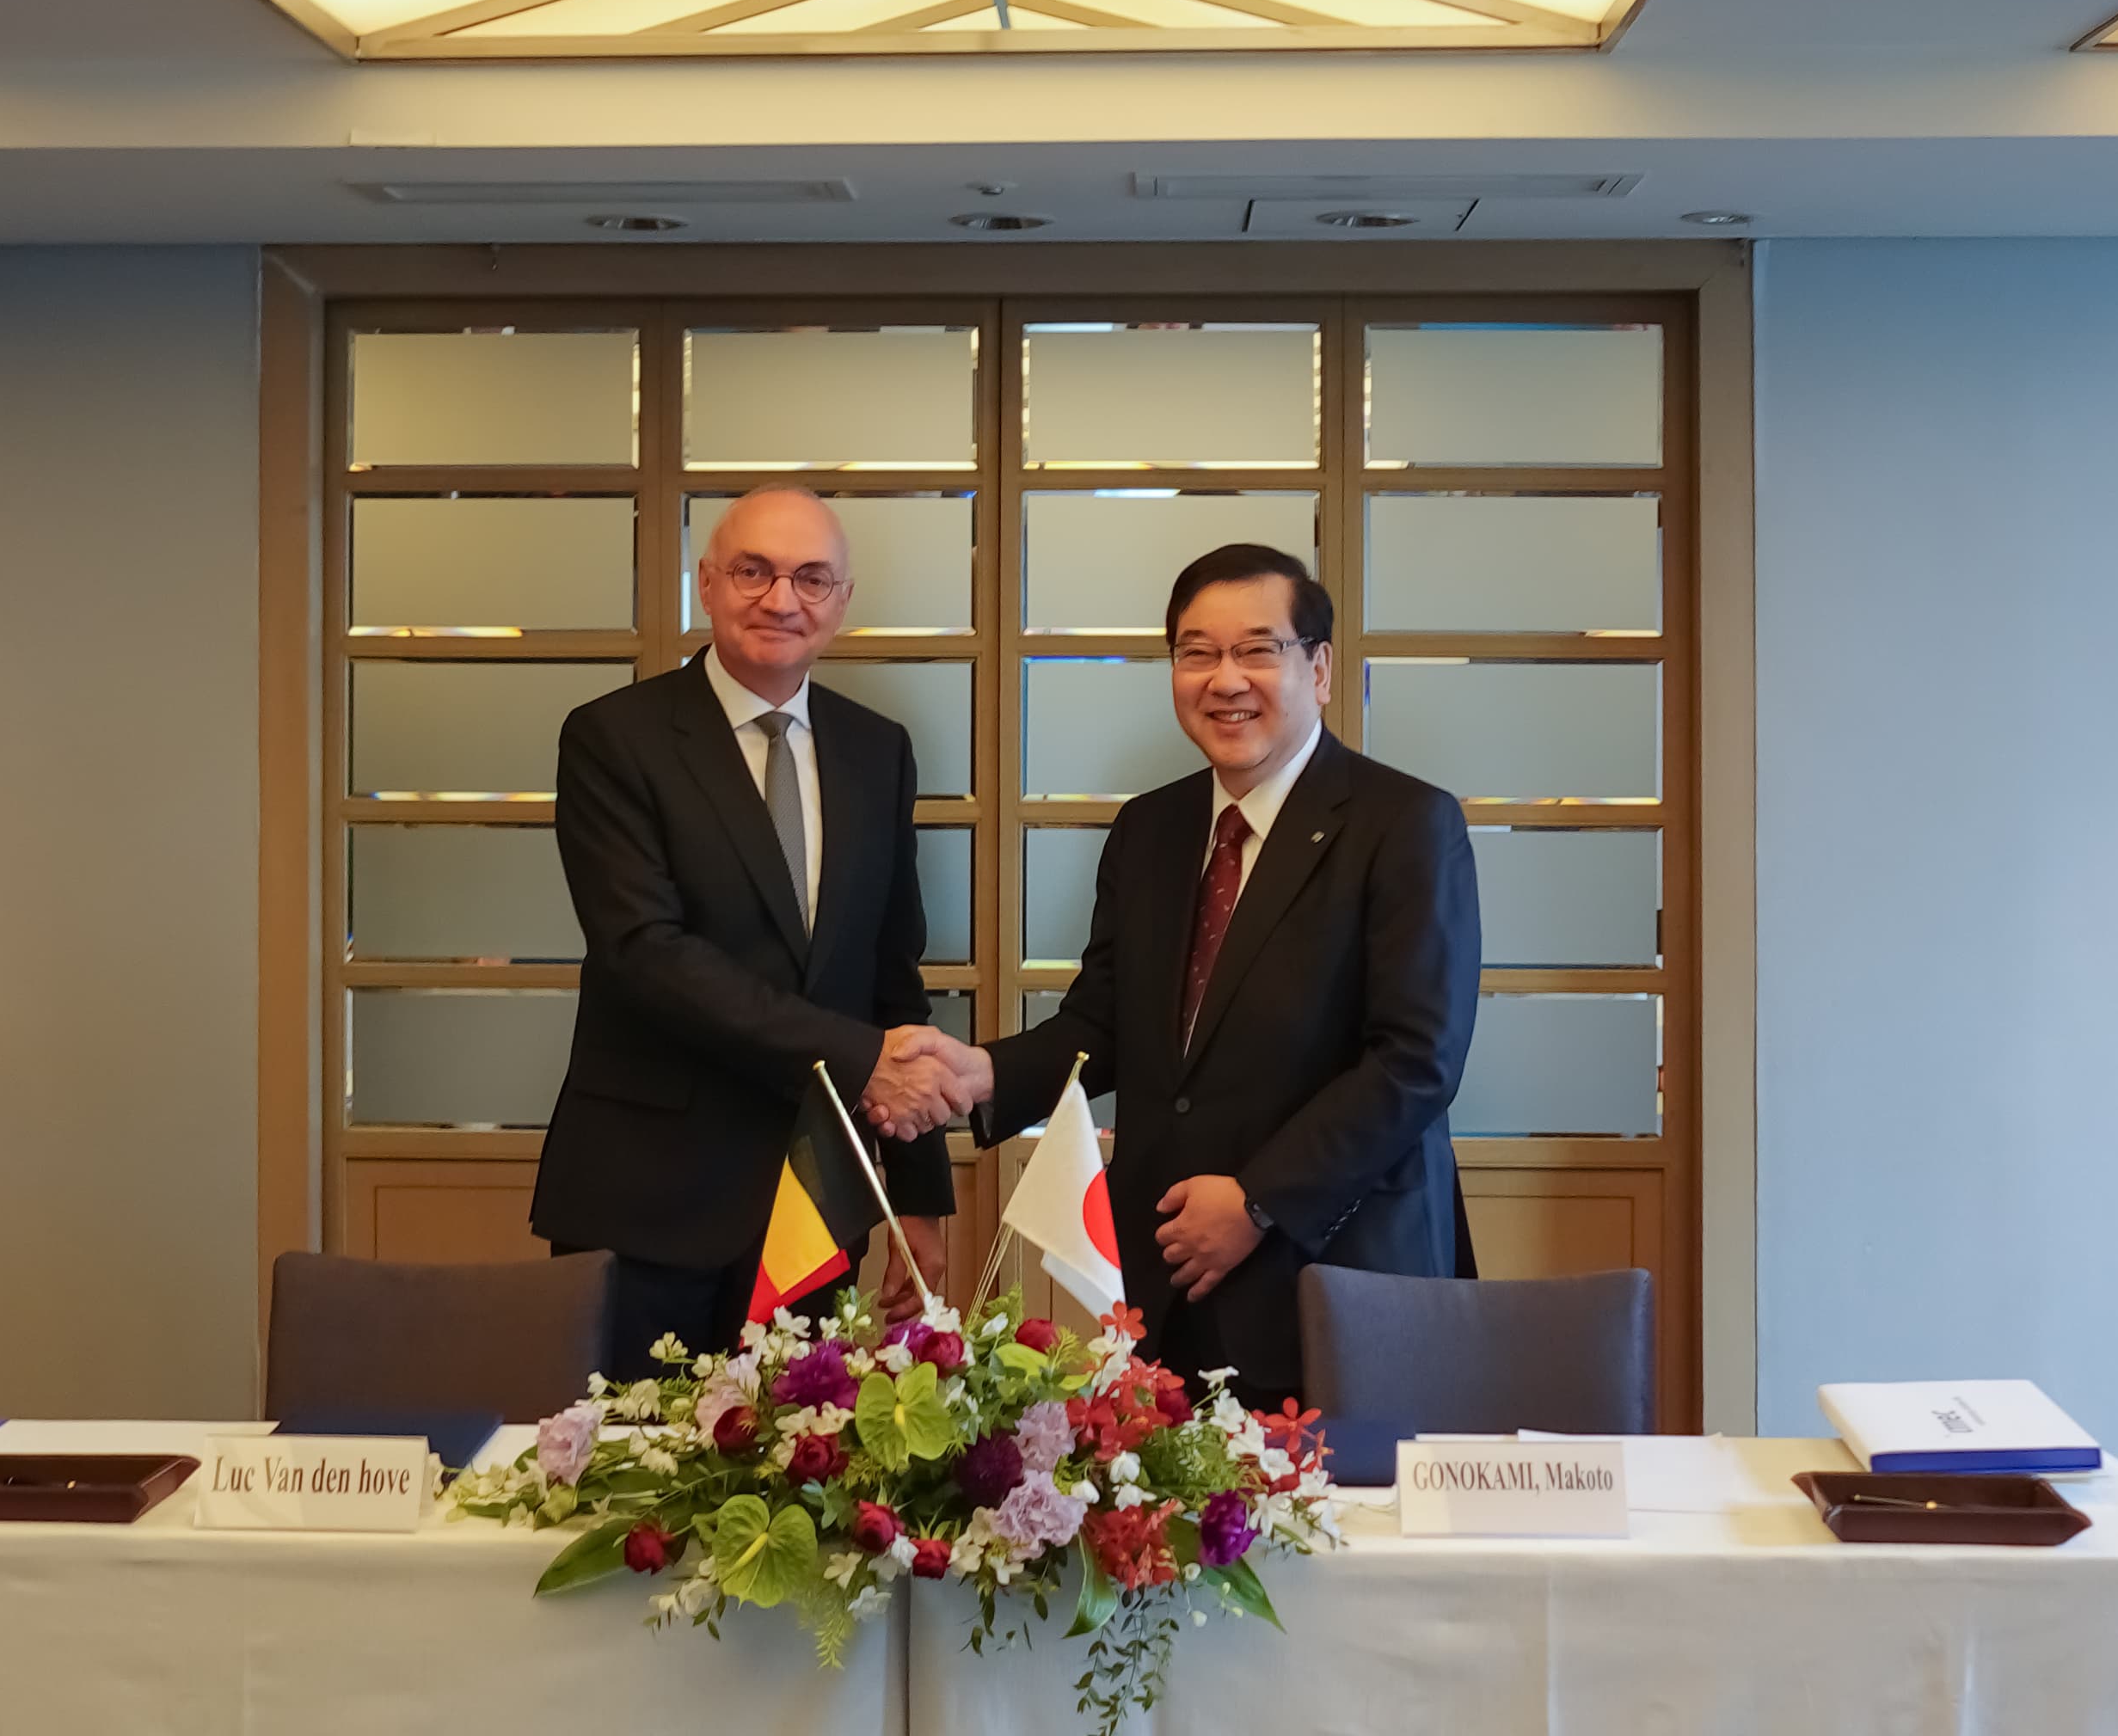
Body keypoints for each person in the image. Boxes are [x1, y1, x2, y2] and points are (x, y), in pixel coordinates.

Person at [875, 543, 1477, 1408]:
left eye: (1257, 649)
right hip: (1168, 1278)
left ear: (1320, 667)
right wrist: (986, 1074)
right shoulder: (1151, 829)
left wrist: (1259, 1200)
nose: (1224, 678)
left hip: (1337, 1278)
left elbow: (1415, 1061)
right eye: (1197, 652)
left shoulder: (1406, 823)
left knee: (1336, 1541)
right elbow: (1105, 1025)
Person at [534, 486, 973, 1376]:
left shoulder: (875, 749)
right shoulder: (616, 738)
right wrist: (857, 1056)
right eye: (754, 571)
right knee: (634, 1486)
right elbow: (645, 955)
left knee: (799, 1491)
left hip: (816, 1196)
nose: (783, 599)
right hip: (649, 1200)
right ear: (706, 583)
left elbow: (894, 977)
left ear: (844, 601)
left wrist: (918, 1196)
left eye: (813, 578)